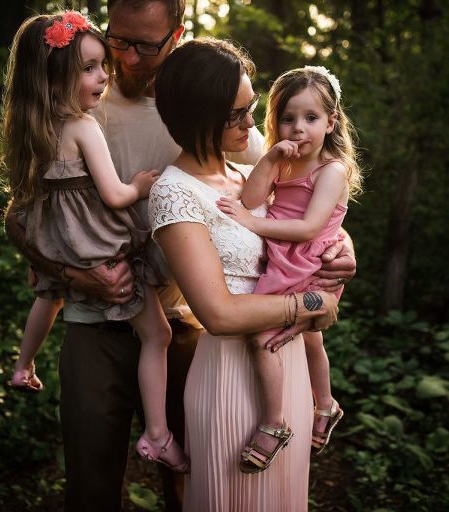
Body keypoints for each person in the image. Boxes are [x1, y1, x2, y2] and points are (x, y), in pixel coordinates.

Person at [3, 1, 357, 510]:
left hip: (186, 322)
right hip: (97, 318)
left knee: (190, 482)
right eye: (118, 39)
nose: (126, 58)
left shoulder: (215, 101)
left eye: (145, 44)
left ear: (176, 34)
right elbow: (22, 213)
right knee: (92, 481)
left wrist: (342, 247)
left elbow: (297, 194)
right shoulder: (78, 98)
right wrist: (68, 272)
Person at [150, 37, 342, 511]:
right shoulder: (174, 193)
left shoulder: (246, 175)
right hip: (230, 374)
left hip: (289, 366)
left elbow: (310, 224)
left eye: (251, 108)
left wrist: (343, 251)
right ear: (199, 117)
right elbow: (219, 314)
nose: (250, 124)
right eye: (236, 114)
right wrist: (314, 305)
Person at [0, 10, 188, 474]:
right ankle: (157, 435)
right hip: (102, 254)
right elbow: (113, 195)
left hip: (65, 246)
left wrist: (53, 263)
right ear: (55, 78)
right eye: (90, 67)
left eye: (102, 64)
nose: (106, 73)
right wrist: (140, 185)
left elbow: (25, 209)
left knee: (48, 296)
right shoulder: (84, 125)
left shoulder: (34, 128)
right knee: (157, 335)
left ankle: (23, 364)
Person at [216, 66, 362, 470]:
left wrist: (251, 224)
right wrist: (270, 159)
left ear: (331, 122)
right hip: (285, 257)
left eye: (311, 118)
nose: (298, 128)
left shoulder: (332, 170)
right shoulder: (285, 159)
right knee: (311, 339)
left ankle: (274, 424)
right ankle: (327, 404)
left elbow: (309, 227)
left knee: (262, 339)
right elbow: (251, 197)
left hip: (308, 264)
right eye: (288, 118)